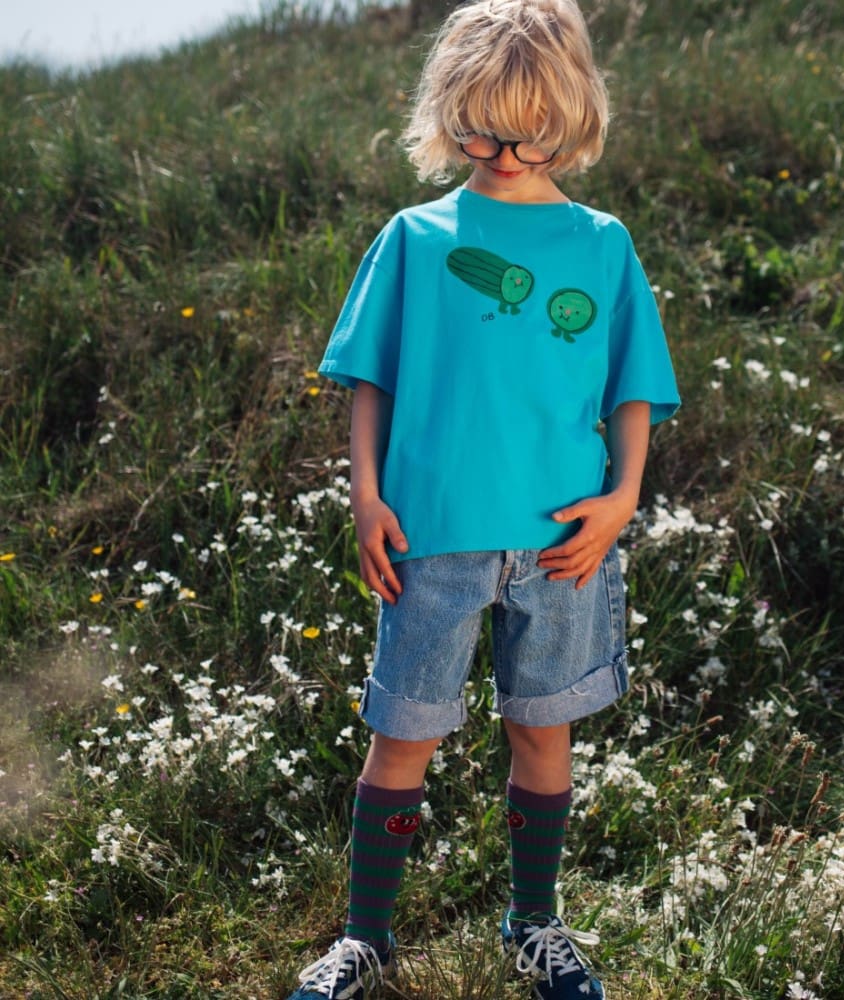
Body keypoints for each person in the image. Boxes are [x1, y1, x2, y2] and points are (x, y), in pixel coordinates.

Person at [288, 1, 679, 997]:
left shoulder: (602, 245)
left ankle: (532, 922)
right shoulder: (416, 238)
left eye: (530, 131)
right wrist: (364, 494)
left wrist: (623, 497)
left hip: (560, 542)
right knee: (402, 732)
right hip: (428, 534)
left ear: (572, 121)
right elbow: (370, 378)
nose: (502, 151)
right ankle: (365, 935)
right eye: (479, 128)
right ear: (445, 113)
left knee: (543, 731)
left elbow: (633, 387)